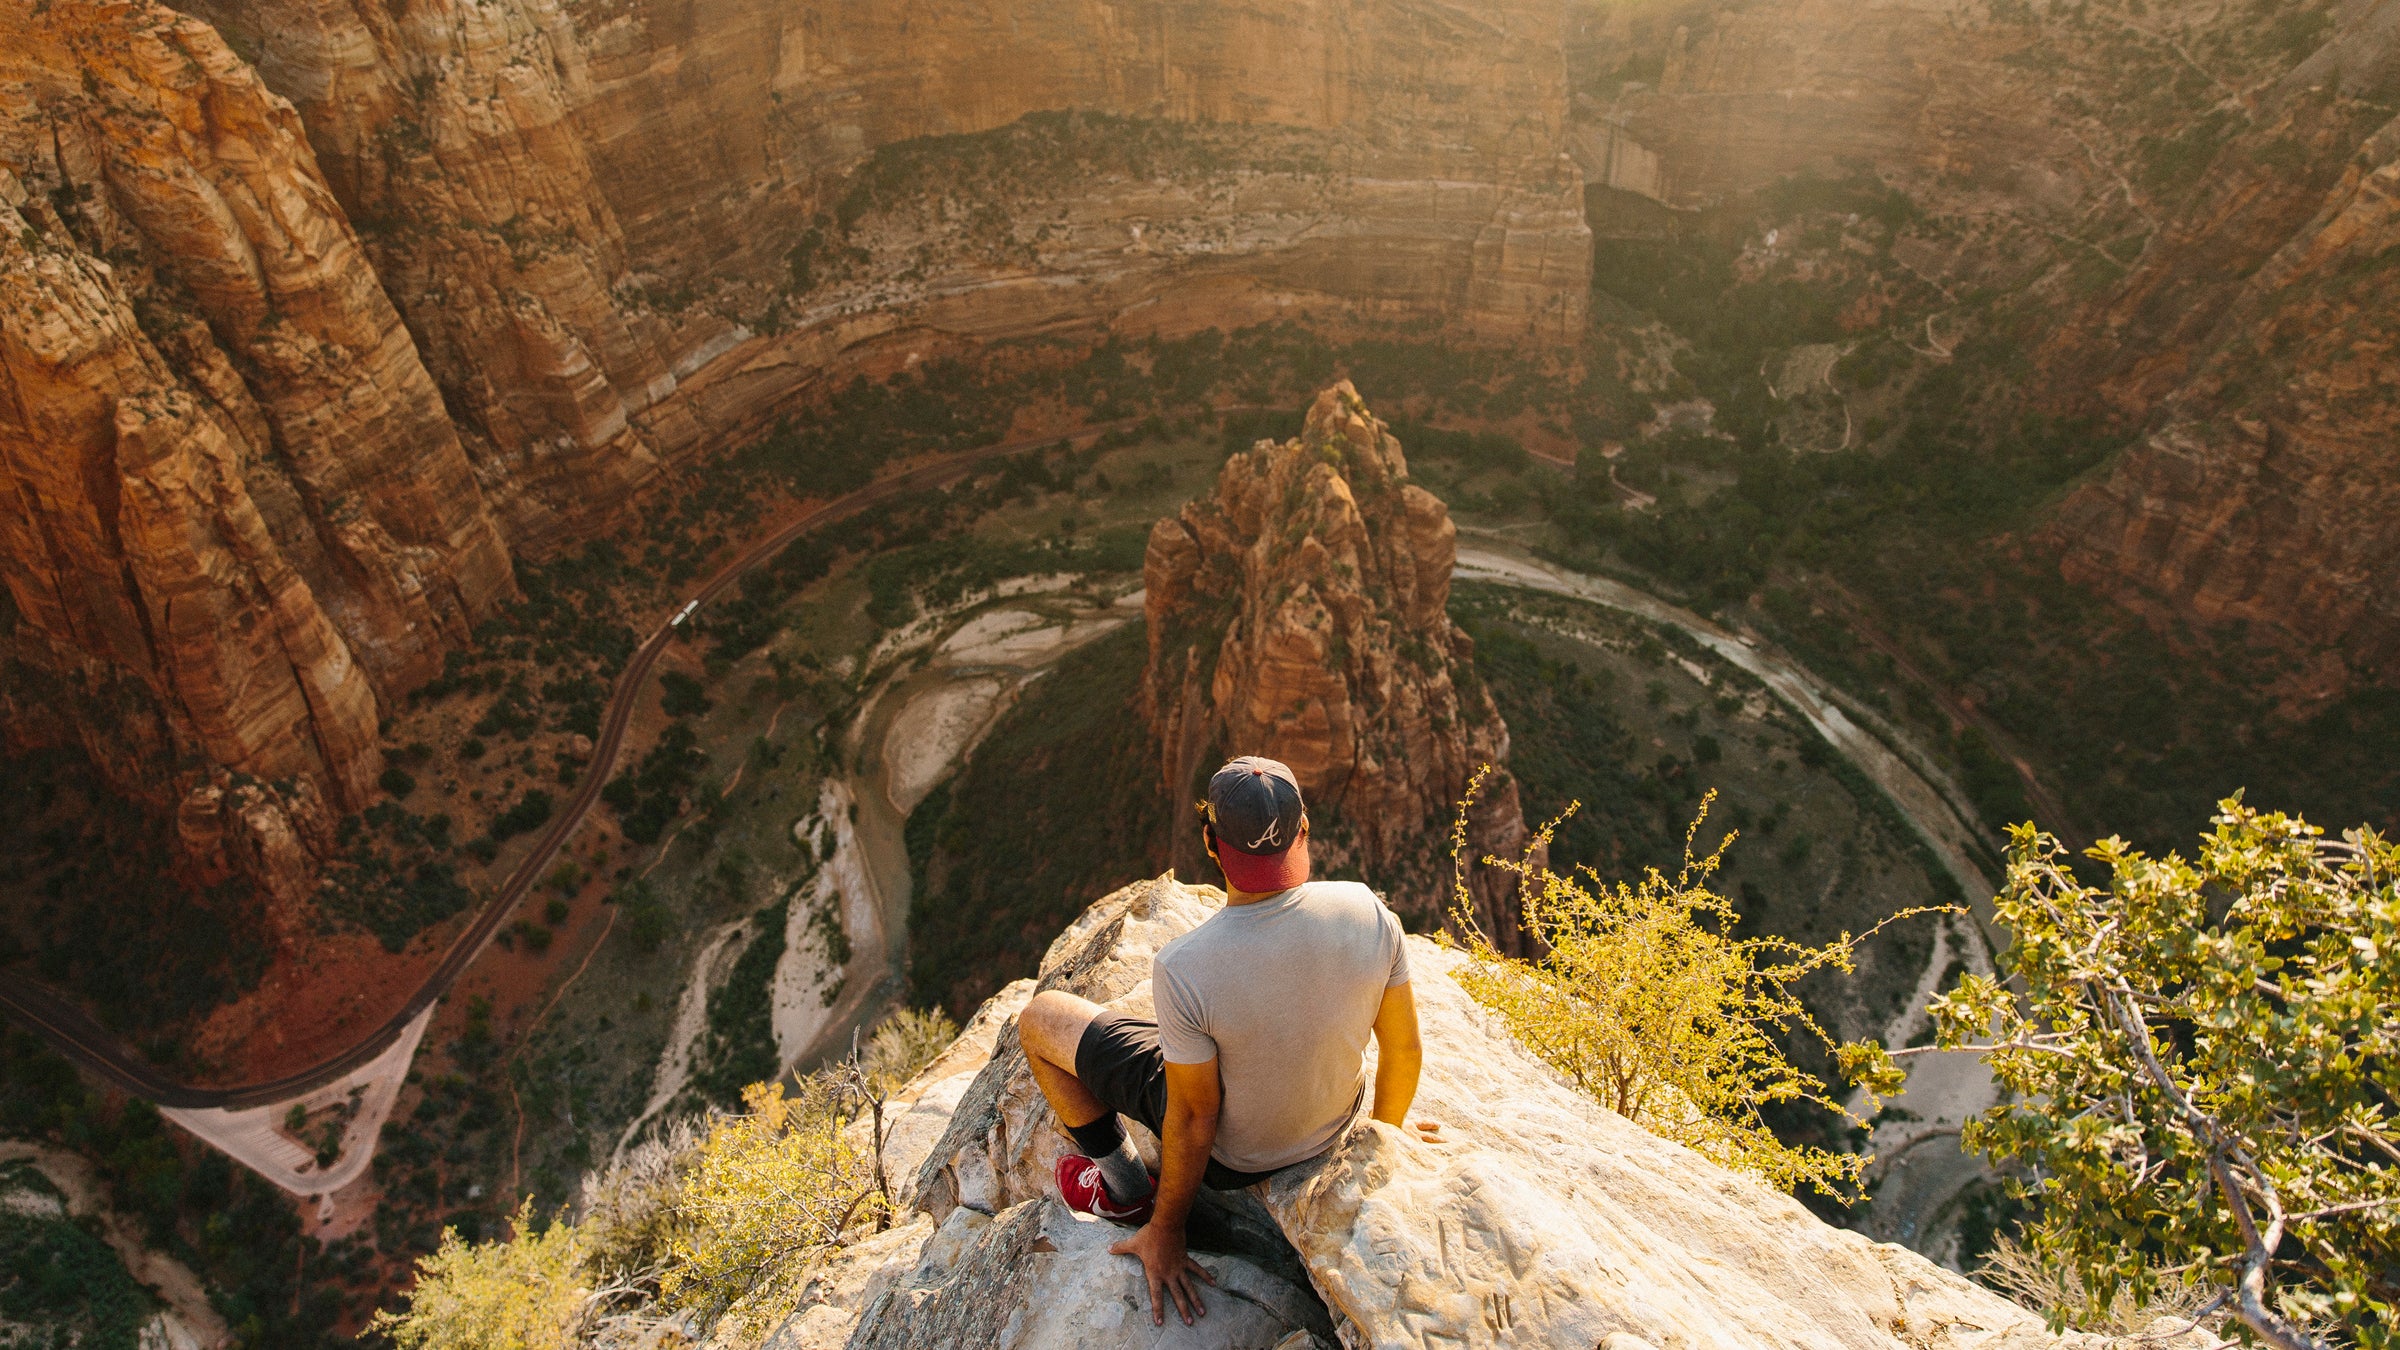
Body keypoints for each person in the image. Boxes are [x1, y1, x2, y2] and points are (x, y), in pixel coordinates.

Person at [1015, 755, 1442, 1328]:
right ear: (1304, 828)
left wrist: (1165, 1231)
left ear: (1212, 844)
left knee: (1042, 1019)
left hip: (1234, 1163)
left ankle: (1124, 1190)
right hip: (1339, 1124)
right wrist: (1383, 1135)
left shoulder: (1186, 967)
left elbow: (1193, 1116)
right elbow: (1404, 1050)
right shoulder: (1368, 911)